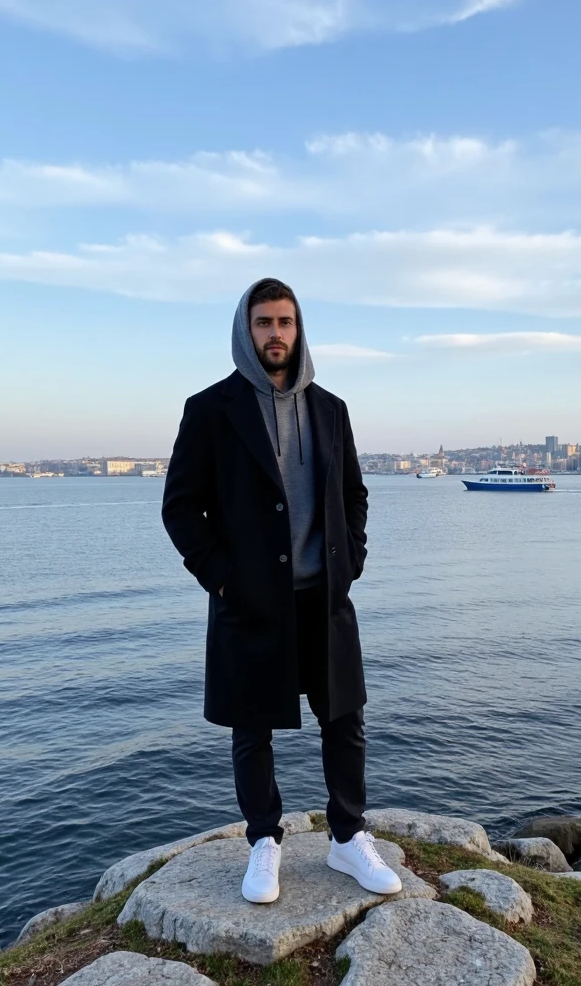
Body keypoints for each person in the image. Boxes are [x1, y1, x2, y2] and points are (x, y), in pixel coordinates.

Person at [161, 277, 402, 904]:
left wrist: (351, 560)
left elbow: (354, 494)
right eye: (264, 322)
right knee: (252, 728)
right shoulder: (210, 409)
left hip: (323, 595)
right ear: (247, 329)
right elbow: (181, 509)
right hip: (249, 597)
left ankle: (348, 837)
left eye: (285, 322)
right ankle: (264, 841)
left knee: (344, 719)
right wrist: (221, 578)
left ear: (299, 329)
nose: (275, 334)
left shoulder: (330, 408)